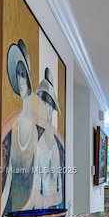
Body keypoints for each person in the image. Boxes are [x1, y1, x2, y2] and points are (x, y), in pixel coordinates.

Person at [0, 39, 40, 217]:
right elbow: (10, 177)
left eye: (24, 75)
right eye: (18, 76)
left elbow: (35, 177)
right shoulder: (14, 125)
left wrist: (22, 214)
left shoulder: (32, 126)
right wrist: (4, 213)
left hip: (27, 205)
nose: (21, 81)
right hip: (12, 204)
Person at [35, 67, 64, 209]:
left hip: (53, 202)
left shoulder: (56, 144)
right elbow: (36, 182)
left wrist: (52, 199)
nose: (46, 107)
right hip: (42, 203)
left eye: (49, 104)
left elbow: (59, 182)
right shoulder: (39, 142)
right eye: (43, 102)